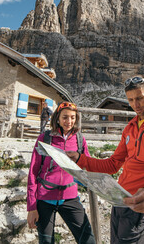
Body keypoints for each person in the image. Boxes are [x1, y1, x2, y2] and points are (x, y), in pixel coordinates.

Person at [67, 76, 144, 244]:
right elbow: (112, 165)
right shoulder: (130, 127)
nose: (135, 104)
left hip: (143, 204)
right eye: (130, 100)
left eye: (139, 98)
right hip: (120, 201)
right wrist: (80, 159)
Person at [27, 101, 96, 244]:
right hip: (44, 199)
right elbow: (33, 172)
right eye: (65, 117)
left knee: (88, 240)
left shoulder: (79, 139)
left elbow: (88, 165)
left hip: (70, 197)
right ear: (57, 118)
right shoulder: (44, 139)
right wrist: (32, 207)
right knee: (46, 242)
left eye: (72, 117)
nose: (69, 121)